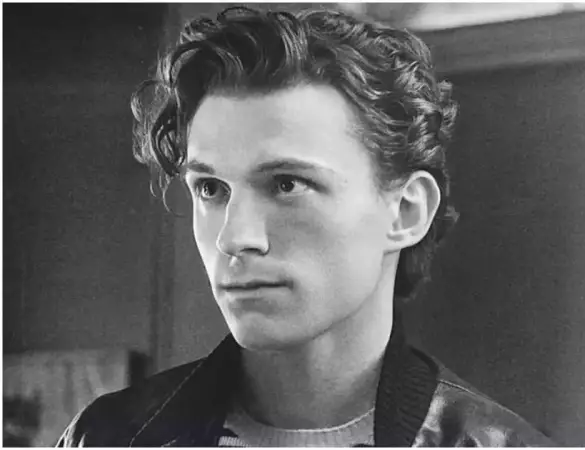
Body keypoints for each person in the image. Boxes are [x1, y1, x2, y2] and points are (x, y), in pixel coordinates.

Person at [57, 6, 554, 447]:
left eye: (287, 184)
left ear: (406, 212)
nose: (234, 238)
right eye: (210, 189)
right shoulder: (106, 438)